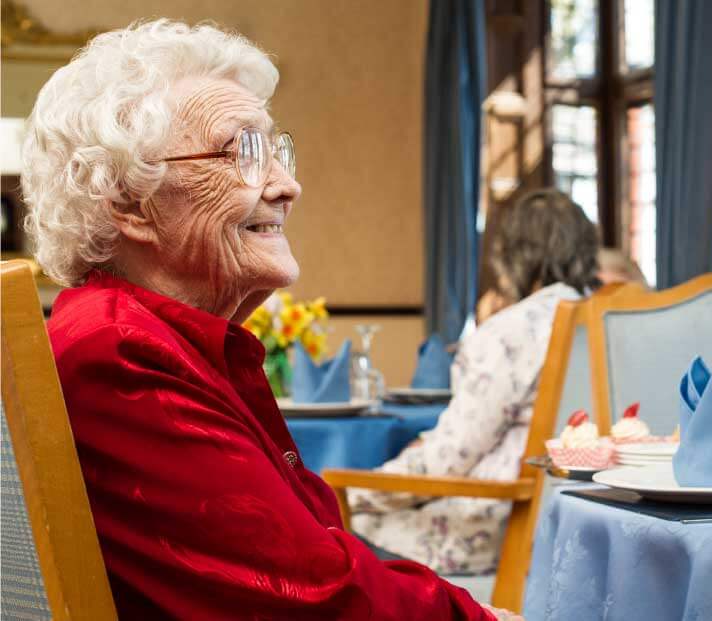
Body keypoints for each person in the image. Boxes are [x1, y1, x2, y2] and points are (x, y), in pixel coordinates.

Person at [23, 19, 517, 620]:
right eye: (240, 153)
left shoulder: (159, 339)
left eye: (276, 151)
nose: (288, 185)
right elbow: (318, 600)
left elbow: (312, 558)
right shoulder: (121, 353)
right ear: (131, 203)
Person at [350, 189, 600, 574]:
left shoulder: (511, 332)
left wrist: (354, 490)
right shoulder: (610, 323)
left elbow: (448, 460)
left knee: (344, 528)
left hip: (501, 527)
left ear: (514, 257)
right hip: (584, 525)